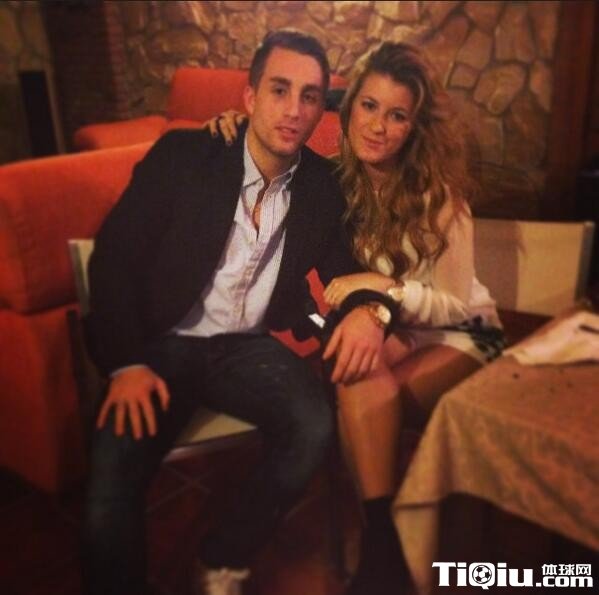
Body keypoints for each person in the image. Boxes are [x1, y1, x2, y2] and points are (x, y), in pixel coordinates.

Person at [82, 29, 394, 595]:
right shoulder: (187, 156)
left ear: (320, 109)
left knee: (313, 426)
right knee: (108, 490)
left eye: (309, 96)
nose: (293, 109)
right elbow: (113, 260)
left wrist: (368, 312)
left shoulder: (323, 187)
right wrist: (126, 363)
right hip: (159, 342)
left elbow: (346, 271)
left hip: (243, 348)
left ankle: (223, 554)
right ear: (250, 96)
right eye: (279, 90)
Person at [208, 41, 504, 595]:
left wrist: (384, 287)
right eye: (368, 106)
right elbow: (278, 148)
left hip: (464, 332)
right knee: (355, 374)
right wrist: (238, 128)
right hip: (396, 329)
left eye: (397, 115)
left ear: (414, 127)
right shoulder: (335, 183)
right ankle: (386, 545)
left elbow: (455, 304)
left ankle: (389, 547)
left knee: (358, 398)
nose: (378, 127)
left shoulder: (438, 195)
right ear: (348, 109)